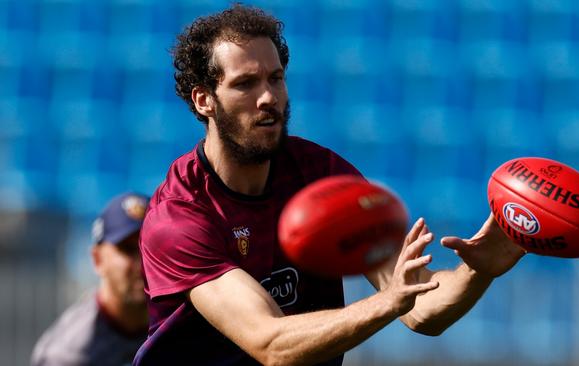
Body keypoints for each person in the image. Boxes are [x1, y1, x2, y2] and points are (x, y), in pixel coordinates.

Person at [134, 4, 526, 366]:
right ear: (204, 100)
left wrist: (479, 272)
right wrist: (388, 302)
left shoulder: (322, 177)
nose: (268, 97)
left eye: (276, 78)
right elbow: (270, 343)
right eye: (246, 84)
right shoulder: (179, 216)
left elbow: (423, 309)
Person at [31, 193, 150, 366]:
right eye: (128, 250)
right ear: (97, 259)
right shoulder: (67, 355)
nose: (142, 264)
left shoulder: (188, 327)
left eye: (150, 247)